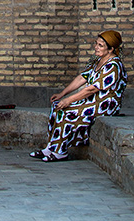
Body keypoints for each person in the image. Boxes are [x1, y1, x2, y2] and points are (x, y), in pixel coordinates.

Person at [35, 29, 126, 160]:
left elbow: (91, 89)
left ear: (111, 49)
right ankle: (50, 148)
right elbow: (82, 78)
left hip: (105, 104)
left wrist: (69, 100)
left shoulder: (114, 66)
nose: (96, 47)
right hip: (92, 100)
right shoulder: (97, 61)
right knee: (56, 106)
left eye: (100, 45)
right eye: (96, 44)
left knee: (66, 111)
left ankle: (60, 151)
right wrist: (63, 94)